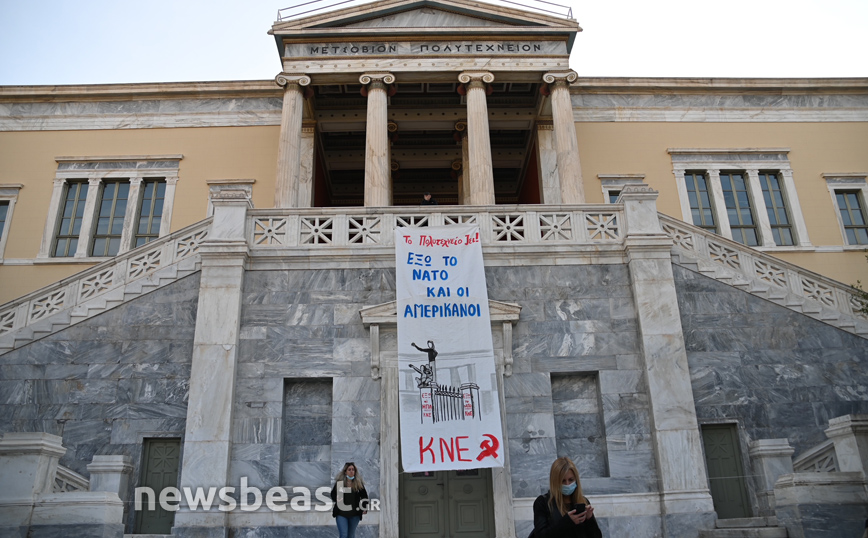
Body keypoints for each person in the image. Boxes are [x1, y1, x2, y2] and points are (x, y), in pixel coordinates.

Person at [530, 457, 602, 538]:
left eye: (571, 480)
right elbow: (541, 535)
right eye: (563, 481)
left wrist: (590, 519)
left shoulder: (583, 501)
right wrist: (567, 521)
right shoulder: (543, 502)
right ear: (555, 482)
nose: (567, 484)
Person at [330, 462, 369, 538]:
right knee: (343, 535)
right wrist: (337, 499)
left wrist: (364, 507)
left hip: (354, 514)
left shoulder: (358, 484)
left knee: (351, 535)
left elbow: (364, 496)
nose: (351, 471)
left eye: (353, 470)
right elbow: (333, 494)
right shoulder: (340, 483)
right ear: (345, 472)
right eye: (349, 470)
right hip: (341, 514)